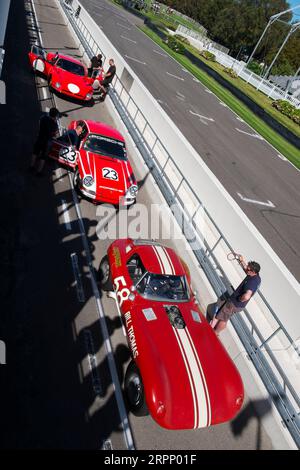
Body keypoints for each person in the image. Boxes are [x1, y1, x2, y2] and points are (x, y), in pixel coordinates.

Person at [210, 256, 261, 335]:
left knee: (222, 318)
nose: (246, 269)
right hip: (237, 304)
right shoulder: (256, 277)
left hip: (234, 304)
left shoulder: (251, 282)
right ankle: (214, 330)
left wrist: (240, 298)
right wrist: (241, 261)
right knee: (223, 316)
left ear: (253, 271)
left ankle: (215, 332)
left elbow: (247, 296)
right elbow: (246, 270)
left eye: (248, 269)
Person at [30, 107, 60, 175]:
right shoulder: (54, 124)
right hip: (47, 142)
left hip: (40, 138)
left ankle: (31, 166)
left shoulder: (43, 118)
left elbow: (39, 123)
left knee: (35, 152)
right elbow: (55, 134)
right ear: (55, 116)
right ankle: (39, 171)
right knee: (43, 157)